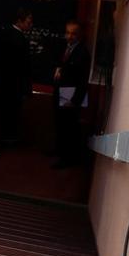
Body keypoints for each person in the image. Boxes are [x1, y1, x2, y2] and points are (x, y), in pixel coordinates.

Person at [0, 5, 33, 155]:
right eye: (28, 21)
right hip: (14, 85)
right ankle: (4, 139)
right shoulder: (22, 40)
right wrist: (26, 88)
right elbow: (24, 67)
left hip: (1, 82)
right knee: (8, 113)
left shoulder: (3, 33)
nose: (30, 24)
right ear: (20, 21)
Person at [52, 19, 91, 169]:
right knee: (60, 124)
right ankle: (59, 151)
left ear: (80, 35)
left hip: (71, 95)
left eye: (73, 34)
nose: (69, 36)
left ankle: (66, 159)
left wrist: (74, 100)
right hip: (60, 91)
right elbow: (63, 65)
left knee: (69, 128)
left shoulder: (83, 53)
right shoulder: (66, 48)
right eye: (67, 32)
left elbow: (82, 81)